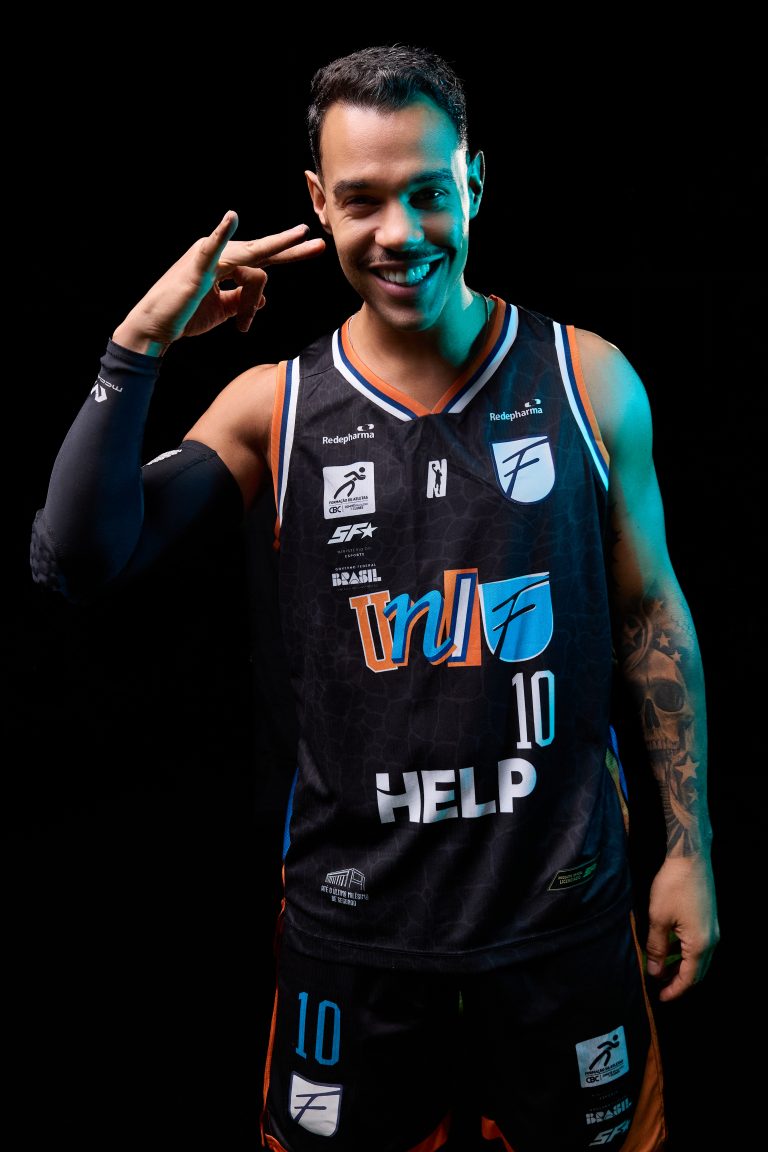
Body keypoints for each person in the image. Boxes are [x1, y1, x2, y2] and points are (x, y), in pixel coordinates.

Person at [30, 43, 719, 1152]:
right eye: (362, 200)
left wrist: (689, 849)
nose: (401, 232)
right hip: (356, 946)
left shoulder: (589, 381)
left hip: (561, 926)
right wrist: (139, 342)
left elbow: (649, 614)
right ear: (318, 202)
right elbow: (75, 559)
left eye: (429, 192)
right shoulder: (273, 407)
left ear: (474, 184)